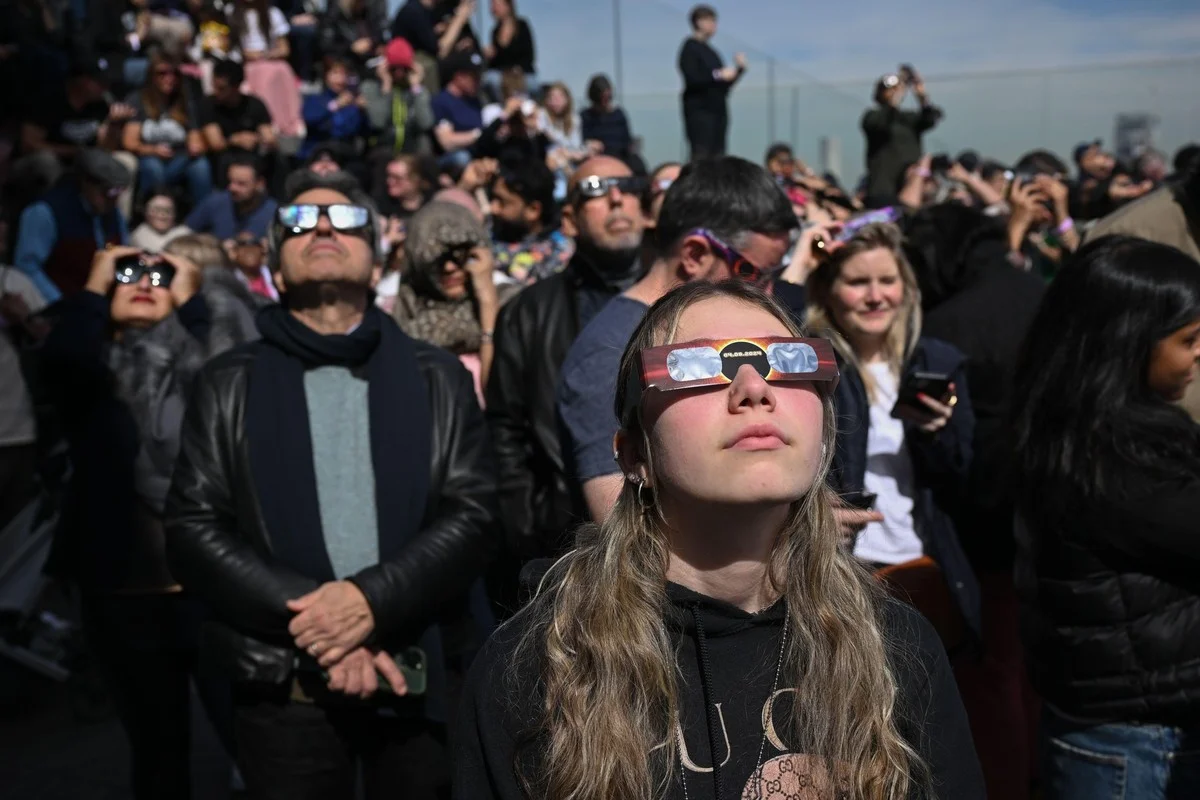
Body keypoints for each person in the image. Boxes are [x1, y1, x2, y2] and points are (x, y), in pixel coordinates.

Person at [456, 279, 985, 799]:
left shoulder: (895, 648)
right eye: (695, 366)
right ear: (635, 455)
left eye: (788, 361)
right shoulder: (540, 668)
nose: (753, 387)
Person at [164, 169, 497, 799]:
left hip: (414, 667)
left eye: (345, 220)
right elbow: (194, 527)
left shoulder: (438, 378)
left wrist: (370, 602)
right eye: (299, 222)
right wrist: (326, 623)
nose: (322, 229)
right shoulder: (227, 381)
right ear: (275, 266)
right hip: (282, 680)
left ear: (376, 262)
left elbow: (473, 514)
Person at [41, 244, 236, 800]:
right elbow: (65, 356)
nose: (144, 282)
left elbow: (231, 376)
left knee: (252, 738)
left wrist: (195, 298)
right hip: (122, 593)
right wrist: (94, 282)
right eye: (127, 275)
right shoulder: (91, 372)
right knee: (157, 754)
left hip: (212, 588)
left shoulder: (200, 364)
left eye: (160, 276)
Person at [1011, 236, 1200, 800]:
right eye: (1188, 339)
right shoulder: (1108, 460)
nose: (1198, 354)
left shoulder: (1081, 429)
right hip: (1133, 746)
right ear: (1130, 342)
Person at [484, 154, 646, 607]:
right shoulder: (528, 313)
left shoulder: (685, 304)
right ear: (570, 219)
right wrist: (529, 529)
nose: (617, 198)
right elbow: (505, 432)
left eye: (629, 186)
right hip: (564, 550)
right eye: (596, 189)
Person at [392, 201, 501, 404]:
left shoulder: (508, 305)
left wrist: (487, 302)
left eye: (458, 255)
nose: (449, 268)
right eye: (436, 259)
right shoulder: (398, 319)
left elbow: (500, 393)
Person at [13, 148, 131, 305]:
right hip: (54, 306)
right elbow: (27, 266)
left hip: (101, 306)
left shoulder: (114, 214)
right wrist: (59, 302)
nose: (114, 199)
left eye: (118, 192)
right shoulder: (45, 212)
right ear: (87, 183)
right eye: (108, 192)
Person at [121, 50, 212, 208]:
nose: (169, 78)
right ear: (152, 76)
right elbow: (129, 142)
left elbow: (195, 136)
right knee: (153, 167)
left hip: (179, 157)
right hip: (148, 156)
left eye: (174, 73)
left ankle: (203, 214)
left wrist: (195, 147)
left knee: (200, 166)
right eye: (162, 73)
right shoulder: (138, 100)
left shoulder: (185, 101)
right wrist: (153, 150)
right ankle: (153, 211)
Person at [861, 65, 943, 206]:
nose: (894, 91)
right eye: (889, 89)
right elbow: (882, 122)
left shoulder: (907, 118)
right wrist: (896, 98)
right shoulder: (873, 116)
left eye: (896, 88)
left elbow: (929, 119)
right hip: (883, 189)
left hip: (909, 186)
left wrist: (921, 95)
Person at [489, 157, 573, 286]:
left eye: (503, 202)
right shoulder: (489, 231)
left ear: (533, 210)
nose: (493, 208)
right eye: (493, 198)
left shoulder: (558, 253)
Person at [678, 5, 746, 160]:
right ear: (699, 22)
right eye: (711, 21)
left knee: (718, 157)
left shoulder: (712, 52)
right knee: (702, 156)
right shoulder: (690, 47)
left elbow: (723, 86)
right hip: (700, 113)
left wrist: (739, 70)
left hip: (718, 111)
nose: (715, 25)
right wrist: (718, 74)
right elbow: (693, 77)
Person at [228, 0, 303, 138]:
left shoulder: (273, 13)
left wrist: (266, 55)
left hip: (269, 58)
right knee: (264, 73)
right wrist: (249, 55)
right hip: (245, 63)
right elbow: (232, 46)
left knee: (283, 70)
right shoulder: (231, 11)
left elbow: (284, 49)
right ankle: (269, 121)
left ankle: (290, 120)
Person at [200, 59, 278, 181]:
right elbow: (215, 143)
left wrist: (256, 139)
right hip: (224, 156)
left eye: (221, 88)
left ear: (236, 87)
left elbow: (269, 137)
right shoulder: (209, 105)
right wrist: (235, 140)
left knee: (276, 158)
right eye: (214, 86)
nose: (216, 92)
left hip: (252, 155)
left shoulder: (255, 104)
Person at [362, 38, 435, 160]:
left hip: (411, 149)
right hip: (383, 149)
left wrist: (416, 87)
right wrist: (386, 86)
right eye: (394, 68)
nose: (399, 73)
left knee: (425, 152)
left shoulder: (417, 90)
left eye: (404, 68)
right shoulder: (371, 87)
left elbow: (426, 123)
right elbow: (378, 122)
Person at [299, 57, 370, 162]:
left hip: (344, 155)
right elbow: (310, 119)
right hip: (316, 153)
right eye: (335, 73)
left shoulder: (353, 103)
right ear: (326, 76)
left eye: (344, 74)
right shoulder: (315, 99)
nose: (340, 79)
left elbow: (364, 132)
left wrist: (363, 112)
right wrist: (335, 105)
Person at [432, 50, 485, 168]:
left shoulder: (475, 102)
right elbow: (446, 142)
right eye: (474, 77)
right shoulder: (442, 101)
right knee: (462, 157)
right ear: (459, 76)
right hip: (451, 159)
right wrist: (477, 135)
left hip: (476, 154)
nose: (478, 81)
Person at [580, 73, 635, 167]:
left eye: (607, 98)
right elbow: (580, 141)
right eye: (601, 99)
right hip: (596, 160)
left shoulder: (619, 114)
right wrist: (589, 145)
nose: (604, 102)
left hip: (620, 159)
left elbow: (627, 142)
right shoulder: (585, 116)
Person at [483, 0, 535, 90]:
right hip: (503, 76)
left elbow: (529, 55)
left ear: (508, 6)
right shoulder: (494, 32)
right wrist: (488, 57)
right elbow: (494, 65)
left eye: (497, 5)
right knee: (490, 79)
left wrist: (517, 70)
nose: (493, 9)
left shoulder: (522, 26)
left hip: (523, 74)